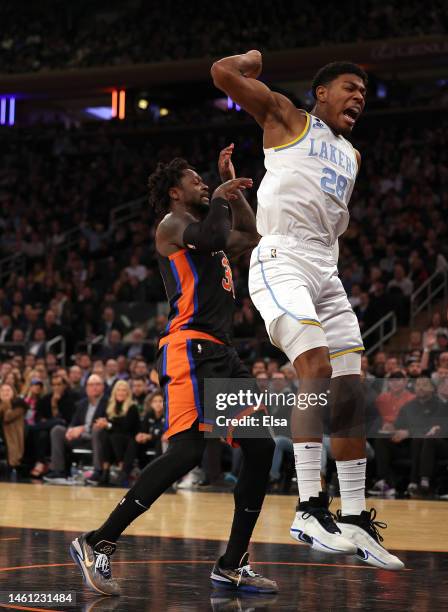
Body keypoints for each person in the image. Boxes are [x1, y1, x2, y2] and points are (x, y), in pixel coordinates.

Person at [212, 50, 402, 569]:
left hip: (326, 268)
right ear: (320, 93)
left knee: (349, 393)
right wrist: (253, 58)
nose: (358, 97)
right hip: (282, 258)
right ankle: (309, 508)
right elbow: (223, 73)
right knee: (314, 370)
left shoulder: (353, 155)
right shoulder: (287, 118)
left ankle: (356, 517)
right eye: (349, 87)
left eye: (364, 93)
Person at [70, 146, 277, 595]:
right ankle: (97, 541)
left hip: (222, 352)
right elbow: (215, 236)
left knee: (261, 446)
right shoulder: (173, 225)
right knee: (186, 452)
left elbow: (252, 235)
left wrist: (232, 188)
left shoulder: (209, 226)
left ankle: (231, 563)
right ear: (174, 192)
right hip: (191, 348)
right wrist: (220, 195)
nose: (202, 183)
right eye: (195, 180)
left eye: (205, 180)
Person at [43, 374, 107, 484]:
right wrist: (70, 430)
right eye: (91, 385)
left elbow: (102, 422)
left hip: (98, 438)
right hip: (80, 438)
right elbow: (74, 422)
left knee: (97, 429)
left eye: (97, 384)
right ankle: (58, 471)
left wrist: (83, 428)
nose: (94, 387)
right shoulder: (82, 403)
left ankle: (98, 471)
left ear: (103, 387)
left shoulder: (107, 402)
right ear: (86, 387)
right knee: (57, 430)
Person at [91, 379, 140, 486]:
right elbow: (111, 424)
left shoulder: (132, 407)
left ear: (128, 393)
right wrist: (103, 423)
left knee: (113, 436)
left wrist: (108, 424)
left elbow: (126, 427)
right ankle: (105, 470)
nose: (121, 393)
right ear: (115, 392)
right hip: (114, 437)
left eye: (124, 390)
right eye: (118, 390)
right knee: (104, 435)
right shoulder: (110, 406)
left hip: (129, 438)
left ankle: (122, 468)